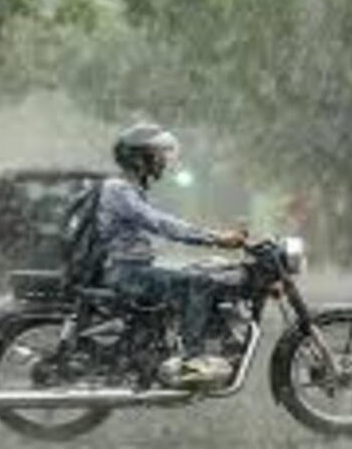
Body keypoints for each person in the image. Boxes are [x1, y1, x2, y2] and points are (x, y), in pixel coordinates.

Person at [95, 123, 247, 384]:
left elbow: (150, 230)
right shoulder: (118, 189)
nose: (163, 162)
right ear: (139, 158)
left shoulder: (129, 189)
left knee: (200, 272)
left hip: (131, 268)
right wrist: (214, 238)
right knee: (198, 284)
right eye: (157, 155)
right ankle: (191, 360)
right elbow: (159, 222)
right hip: (125, 272)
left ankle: (179, 345)